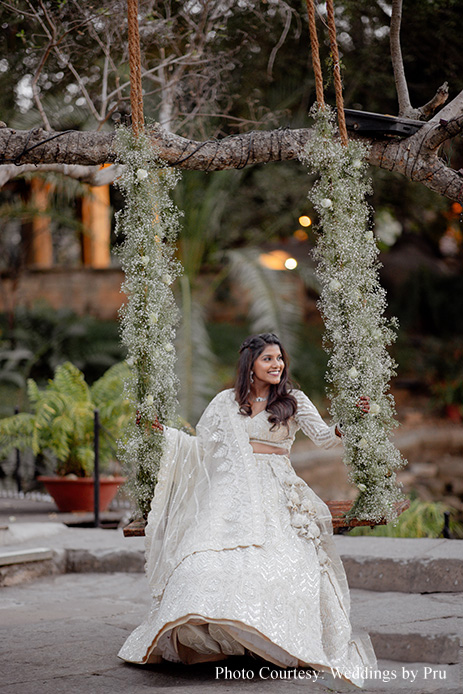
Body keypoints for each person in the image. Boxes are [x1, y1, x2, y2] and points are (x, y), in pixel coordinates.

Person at [118, 332, 376, 687]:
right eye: (268, 359)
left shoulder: (292, 401)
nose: (277, 365)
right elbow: (203, 449)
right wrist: (164, 434)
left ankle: (269, 641)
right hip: (231, 493)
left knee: (280, 567)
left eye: (280, 359)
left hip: (278, 491)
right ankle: (216, 640)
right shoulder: (226, 403)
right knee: (201, 563)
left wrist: (352, 422)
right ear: (250, 364)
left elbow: (326, 437)